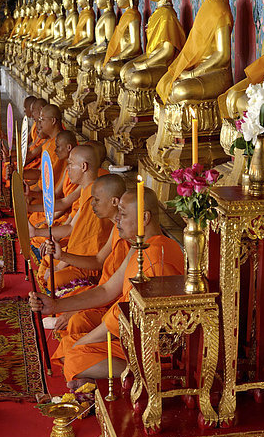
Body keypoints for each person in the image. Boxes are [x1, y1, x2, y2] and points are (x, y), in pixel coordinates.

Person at [29, 187, 184, 386]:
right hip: (127, 329)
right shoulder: (139, 246)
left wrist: (83, 344)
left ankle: (152, 378)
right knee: (70, 346)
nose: (117, 219)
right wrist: (55, 306)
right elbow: (107, 289)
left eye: (123, 214)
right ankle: (98, 375)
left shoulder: (155, 258)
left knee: (75, 356)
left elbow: (126, 319)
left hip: (153, 346)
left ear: (145, 218)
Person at [41, 173, 128, 332]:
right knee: (68, 300)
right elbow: (98, 260)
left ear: (114, 201)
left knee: (78, 322)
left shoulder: (129, 235)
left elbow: (118, 290)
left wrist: (79, 309)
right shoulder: (118, 228)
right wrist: (62, 256)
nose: (92, 205)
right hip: (105, 289)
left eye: (97, 200)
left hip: (117, 300)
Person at [31, 145, 113, 289]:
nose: (67, 168)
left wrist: (61, 264)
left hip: (87, 264)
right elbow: (72, 227)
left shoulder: (97, 198)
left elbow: (88, 247)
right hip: (74, 254)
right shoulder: (87, 189)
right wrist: (36, 231)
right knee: (46, 262)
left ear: (83, 166)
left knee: (52, 280)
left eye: (70, 164)